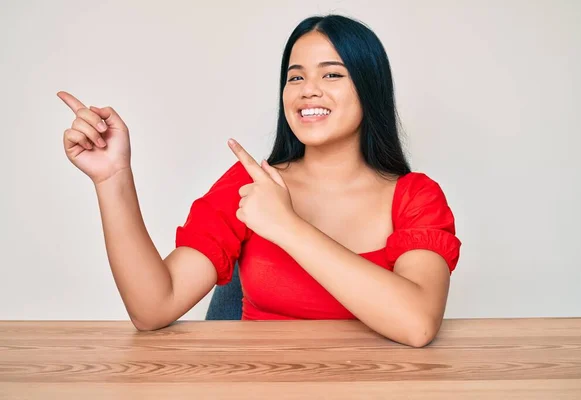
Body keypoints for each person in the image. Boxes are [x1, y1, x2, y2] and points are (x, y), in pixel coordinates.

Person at [57, 14, 461, 347]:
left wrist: (286, 226)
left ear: (370, 89)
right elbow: (152, 307)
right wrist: (113, 178)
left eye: (332, 75)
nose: (308, 91)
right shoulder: (250, 184)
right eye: (296, 77)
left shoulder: (416, 196)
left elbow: (417, 325)